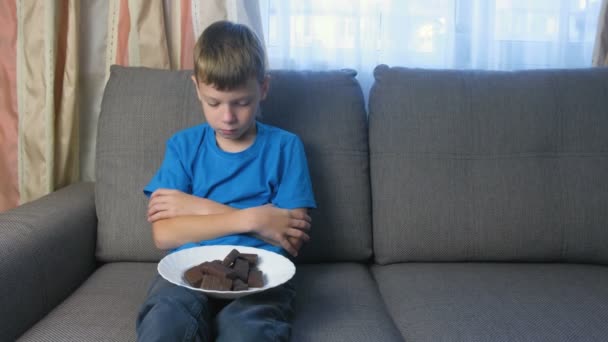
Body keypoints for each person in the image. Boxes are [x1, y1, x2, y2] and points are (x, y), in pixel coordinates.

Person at [136, 20, 316, 342]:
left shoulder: (286, 147)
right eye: (214, 103)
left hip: (263, 271)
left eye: (242, 102)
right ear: (197, 89)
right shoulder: (183, 146)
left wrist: (195, 207)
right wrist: (256, 218)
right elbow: (163, 234)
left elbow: (291, 238)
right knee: (165, 322)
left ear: (263, 88)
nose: (228, 117)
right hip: (186, 268)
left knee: (248, 332)